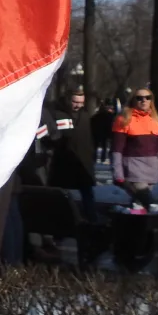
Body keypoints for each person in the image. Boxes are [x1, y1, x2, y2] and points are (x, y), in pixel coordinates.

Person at [112, 89, 158, 210]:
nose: (144, 100)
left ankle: (134, 226)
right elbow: (117, 150)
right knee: (150, 204)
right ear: (133, 100)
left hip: (151, 171)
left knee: (139, 205)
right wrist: (118, 174)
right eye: (139, 98)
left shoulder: (155, 121)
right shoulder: (123, 119)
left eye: (148, 97)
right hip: (133, 170)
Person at [45, 89, 97, 222]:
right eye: (75, 102)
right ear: (68, 99)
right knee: (60, 197)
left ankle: (91, 223)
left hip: (83, 162)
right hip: (63, 163)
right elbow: (45, 136)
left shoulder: (84, 115)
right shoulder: (55, 113)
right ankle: (60, 225)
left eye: (81, 102)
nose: (78, 105)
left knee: (87, 196)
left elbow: (89, 138)